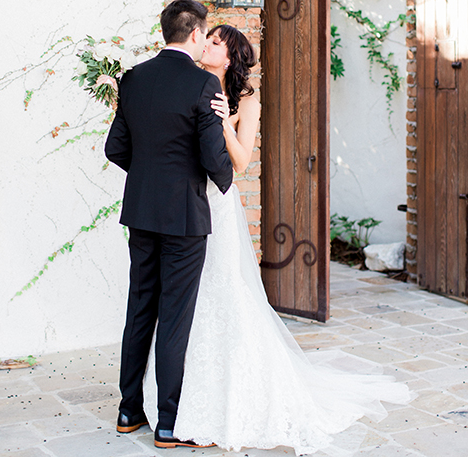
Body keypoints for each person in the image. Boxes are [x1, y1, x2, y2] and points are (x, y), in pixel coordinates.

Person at [144, 24, 411, 456]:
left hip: (217, 204)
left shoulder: (246, 100)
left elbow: (244, 161)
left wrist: (224, 126)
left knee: (222, 294)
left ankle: (225, 402)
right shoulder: (185, 82)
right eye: (206, 38)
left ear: (229, 57)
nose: (207, 44)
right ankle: (177, 400)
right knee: (181, 302)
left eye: (215, 42)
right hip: (181, 201)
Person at [104, 0, 233, 447]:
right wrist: (224, 179)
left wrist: (148, 178)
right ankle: (167, 423)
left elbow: (114, 148)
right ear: (196, 34)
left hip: (141, 213)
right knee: (175, 318)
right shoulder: (203, 85)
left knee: (140, 308)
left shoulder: (134, 78)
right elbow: (214, 157)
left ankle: (127, 411)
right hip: (183, 218)